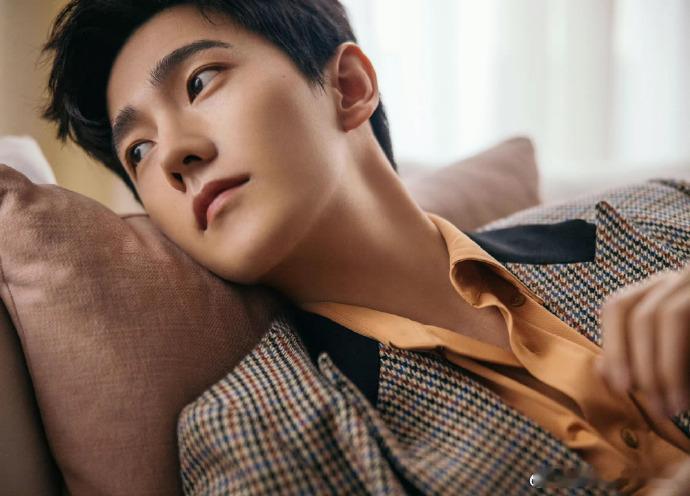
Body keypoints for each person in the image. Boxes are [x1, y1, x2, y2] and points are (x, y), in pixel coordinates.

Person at [41, 1, 689, 494]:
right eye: (139, 151)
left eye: (200, 82)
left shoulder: (657, 212)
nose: (173, 157)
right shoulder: (256, 434)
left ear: (348, 86)